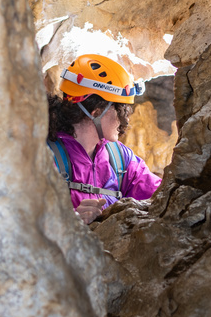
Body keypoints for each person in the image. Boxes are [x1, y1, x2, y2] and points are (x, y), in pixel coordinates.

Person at [47, 54, 162, 224]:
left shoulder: (120, 158)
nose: (126, 118)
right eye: (120, 108)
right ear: (97, 112)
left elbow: (160, 194)